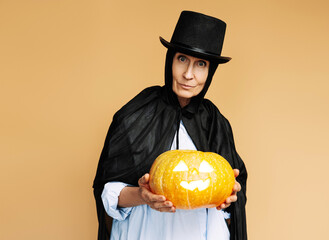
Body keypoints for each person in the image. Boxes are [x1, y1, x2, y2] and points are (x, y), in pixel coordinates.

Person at [93, 11, 248, 240]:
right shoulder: (135, 114)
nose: (188, 75)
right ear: (170, 60)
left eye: (201, 64)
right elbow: (107, 192)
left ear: (210, 71)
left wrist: (228, 198)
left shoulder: (216, 122)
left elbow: (229, 199)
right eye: (182, 59)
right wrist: (142, 195)